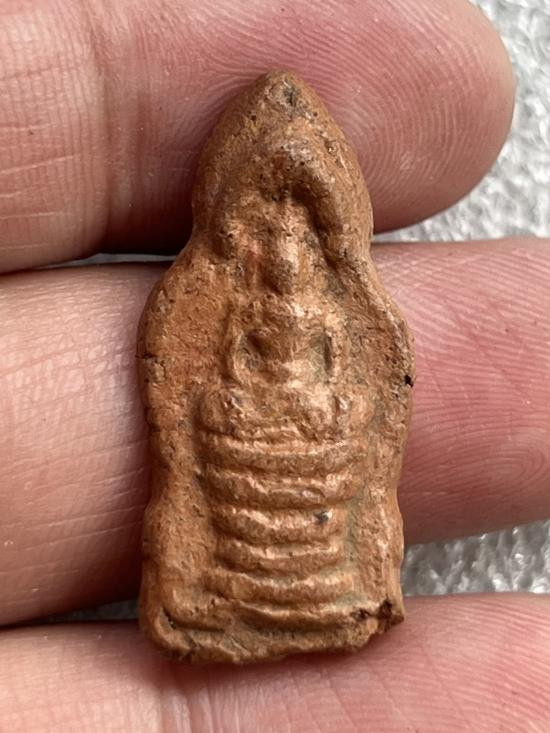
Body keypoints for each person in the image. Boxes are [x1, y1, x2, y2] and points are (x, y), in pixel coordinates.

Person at [1, 0, 549, 729]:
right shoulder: (224, 303)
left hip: (313, 423)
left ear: (324, 245)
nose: (286, 258)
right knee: (219, 428)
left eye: (302, 240)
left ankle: (334, 580)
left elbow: (357, 381)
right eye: (269, 236)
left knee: (342, 428)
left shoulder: (337, 312)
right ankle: (220, 581)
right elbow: (215, 377)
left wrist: (334, 406)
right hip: (253, 418)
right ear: (248, 241)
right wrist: (235, 397)